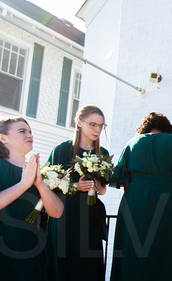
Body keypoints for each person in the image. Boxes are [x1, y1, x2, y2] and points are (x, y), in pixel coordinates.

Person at [109, 112, 172, 281]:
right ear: (167, 128)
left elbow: (126, 181)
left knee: (134, 251)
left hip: (135, 200)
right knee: (168, 250)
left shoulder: (132, 143)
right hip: (169, 200)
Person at [0, 116, 64, 280]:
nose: (30, 135)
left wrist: (40, 184)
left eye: (30, 132)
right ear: (3, 138)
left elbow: (56, 212)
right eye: (22, 131)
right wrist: (23, 185)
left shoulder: (35, 172)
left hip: (29, 251)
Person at [45, 104, 110, 281]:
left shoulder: (102, 153)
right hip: (65, 214)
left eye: (101, 126)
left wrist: (97, 187)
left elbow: (103, 190)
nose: (97, 129)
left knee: (88, 263)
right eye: (93, 124)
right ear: (80, 122)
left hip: (89, 217)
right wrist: (75, 186)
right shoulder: (62, 150)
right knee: (64, 261)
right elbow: (47, 184)